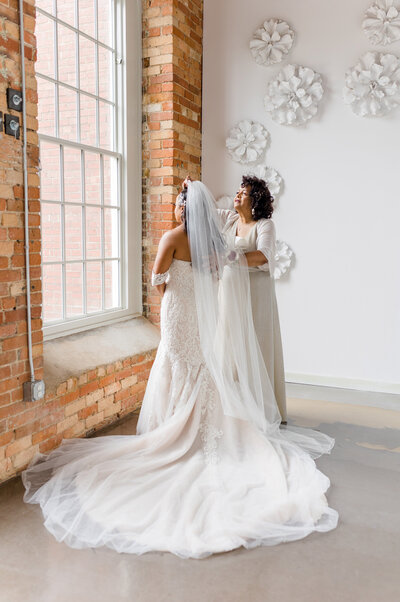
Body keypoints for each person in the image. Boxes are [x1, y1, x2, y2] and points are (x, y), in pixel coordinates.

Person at [22, 181, 338, 559]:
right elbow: (216, 266)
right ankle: (201, 426)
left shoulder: (173, 236)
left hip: (178, 312)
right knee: (200, 365)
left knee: (174, 363)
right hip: (201, 316)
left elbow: (157, 280)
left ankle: (171, 425)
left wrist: (174, 290)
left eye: (176, 202)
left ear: (184, 209)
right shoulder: (212, 241)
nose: (173, 207)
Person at [184, 174, 287, 423]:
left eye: (244, 192)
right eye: (238, 191)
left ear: (256, 200)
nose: (237, 195)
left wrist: (228, 257)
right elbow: (205, 210)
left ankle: (261, 408)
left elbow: (263, 256)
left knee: (257, 343)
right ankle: (233, 407)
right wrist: (193, 188)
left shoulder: (265, 225)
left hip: (256, 295)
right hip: (229, 294)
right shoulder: (228, 219)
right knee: (229, 344)